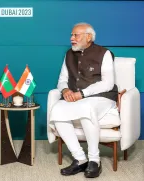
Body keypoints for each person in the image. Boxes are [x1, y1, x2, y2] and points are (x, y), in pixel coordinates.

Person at [49, 23, 119, 178]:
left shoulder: (104, 53)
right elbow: (62, 80)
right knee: (57, 110)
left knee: (86, 108)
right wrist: (65, 90)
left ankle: (95, 160)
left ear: (89, 37)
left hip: (102, 98)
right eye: (71, 35)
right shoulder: (69, 54)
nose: (71, 38)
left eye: (76, 35)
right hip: (77, 98)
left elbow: (107, 83)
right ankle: (80, 159)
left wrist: (83, 93)